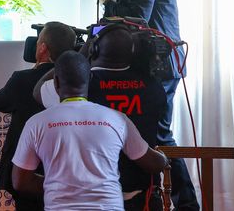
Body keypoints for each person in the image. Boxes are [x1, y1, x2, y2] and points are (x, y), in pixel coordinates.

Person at [96, 0, 198, 210]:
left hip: (160, 63)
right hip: (153, 62)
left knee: (160, 135)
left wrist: (111, 3)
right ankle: (153, 197)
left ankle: (187, 203)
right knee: (151, 133)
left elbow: (138, 16)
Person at [13, 52, 168, 211]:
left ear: (56, 82)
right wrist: (163, 158)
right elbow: (153, 164)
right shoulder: (117, 119)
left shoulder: (36, 123)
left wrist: (64, 186)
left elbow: (20, 182)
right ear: (90, 79)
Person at [0, 22, 76, 211]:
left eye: (38, 42)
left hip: (26, 168)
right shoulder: (77, 82)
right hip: (64, 165)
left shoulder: (22, 79)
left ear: (43, 48)